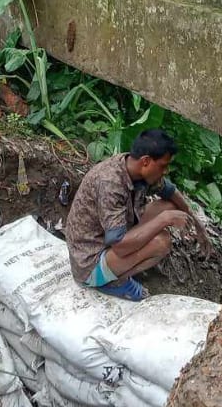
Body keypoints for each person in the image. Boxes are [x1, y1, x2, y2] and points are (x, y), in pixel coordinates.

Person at [66, 129, 213, 301]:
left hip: (112, 234)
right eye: (163, 166)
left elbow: (170, 192)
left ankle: (117, 270)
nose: (165, 171)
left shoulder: (132, 166)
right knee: (161, 242)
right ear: (146, 162)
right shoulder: (110, 183)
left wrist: (197, 225)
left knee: (169, 205)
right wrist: (164, 220)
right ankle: (113, 282)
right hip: (89, 262)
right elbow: (119, 246)